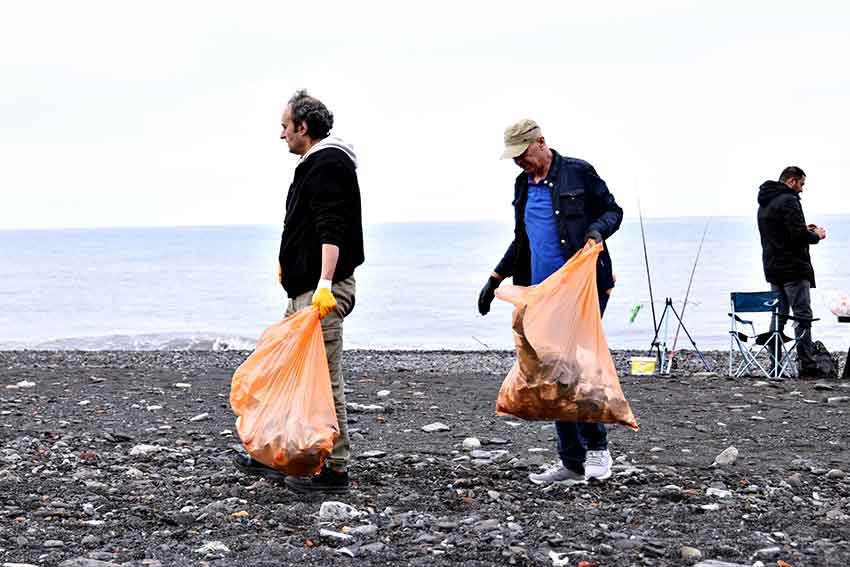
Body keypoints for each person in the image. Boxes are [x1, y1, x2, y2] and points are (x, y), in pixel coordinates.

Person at [478, 119, 623, 483]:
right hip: (540, 294)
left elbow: (613, 212)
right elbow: (523, 240)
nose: (518, 161)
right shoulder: (522, 185)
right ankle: (572, 462)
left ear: (541, 142)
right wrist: (494, 279)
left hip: (582, 289)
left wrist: (596, 231)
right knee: (551, 373)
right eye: (513, 157)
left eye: (522, 153)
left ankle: (597, 451)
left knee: (573, 367)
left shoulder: (578, 172)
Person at [234, 89, 364, 493]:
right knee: (286, 372)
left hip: (320, 294)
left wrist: (324, 283)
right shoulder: (314, 164)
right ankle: (282, 454)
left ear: (303, 127)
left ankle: (335, 468)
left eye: (285, 126)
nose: (281, 134)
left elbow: (331, 226)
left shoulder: (329, 163)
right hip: (304, 291)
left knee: (324, 380)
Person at [757, 166, 826, 376]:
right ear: (791, 181)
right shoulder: (789, 200)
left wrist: (804, 229)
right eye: (801, 184)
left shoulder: (765, 202)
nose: (802, 189)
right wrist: (816, 235)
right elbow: (797, 237)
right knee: (802, 315)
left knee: (778, 316)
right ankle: (807, 364)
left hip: (773, 268)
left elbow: (781, 233)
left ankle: (775, 365)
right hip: (793, 269)